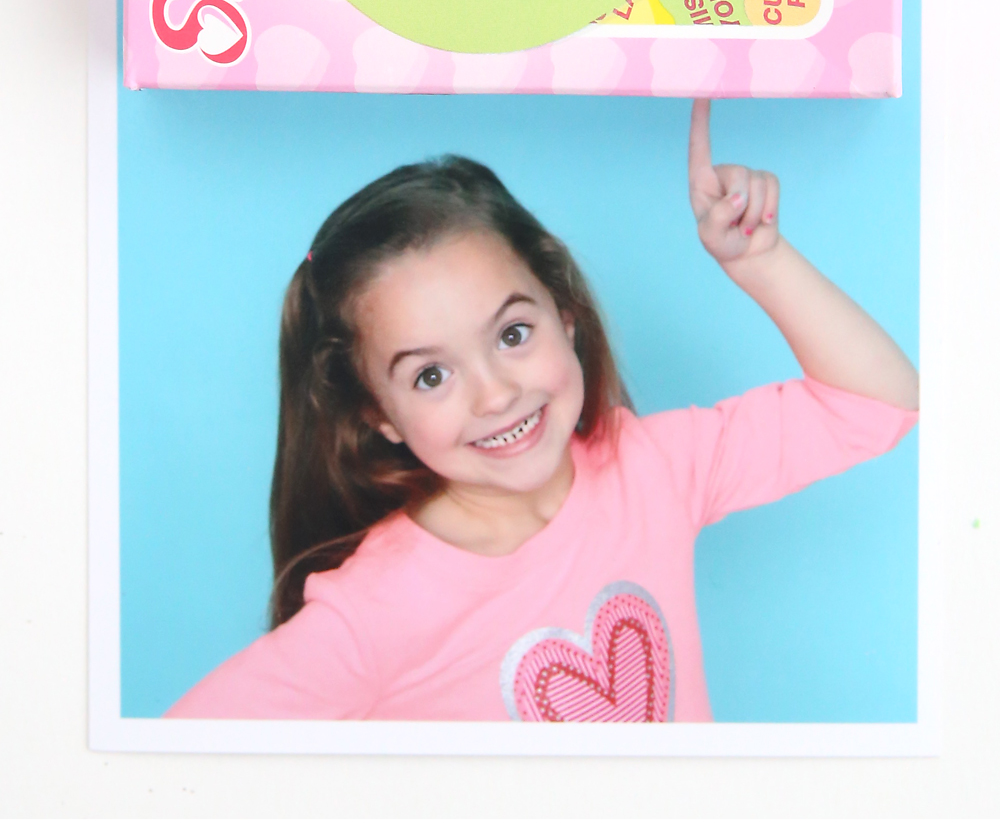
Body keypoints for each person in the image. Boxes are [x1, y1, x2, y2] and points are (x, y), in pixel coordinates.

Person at [169, 102, 918, 724]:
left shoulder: (650, 468)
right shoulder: (374, 611)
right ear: (378, 415)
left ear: (564, 312)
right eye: (431, 375)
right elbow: (169, 770)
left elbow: (877, 403)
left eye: (513, 334)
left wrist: (760, 260)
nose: (495, 394)